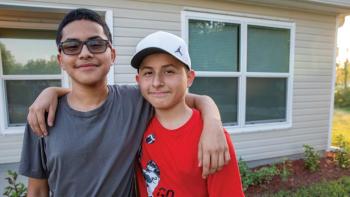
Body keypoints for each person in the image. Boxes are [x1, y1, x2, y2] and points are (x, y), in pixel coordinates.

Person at [20, 8, 230, 197]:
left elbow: (188, 99)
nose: (85, 53)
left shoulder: (135, 100)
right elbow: (37, 190)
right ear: (60, 60)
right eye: (72, 46)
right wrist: (51, 92)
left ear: (112, 55)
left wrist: (213, 123)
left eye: (95, 44)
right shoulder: (43, 115)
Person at [132, 31, 244, 196]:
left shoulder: (212, 138)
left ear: (189, 78)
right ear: (138, 80)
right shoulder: (136, 123)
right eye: (148, 73)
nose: (157, 83)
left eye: (169, 71)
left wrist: (212, 121)